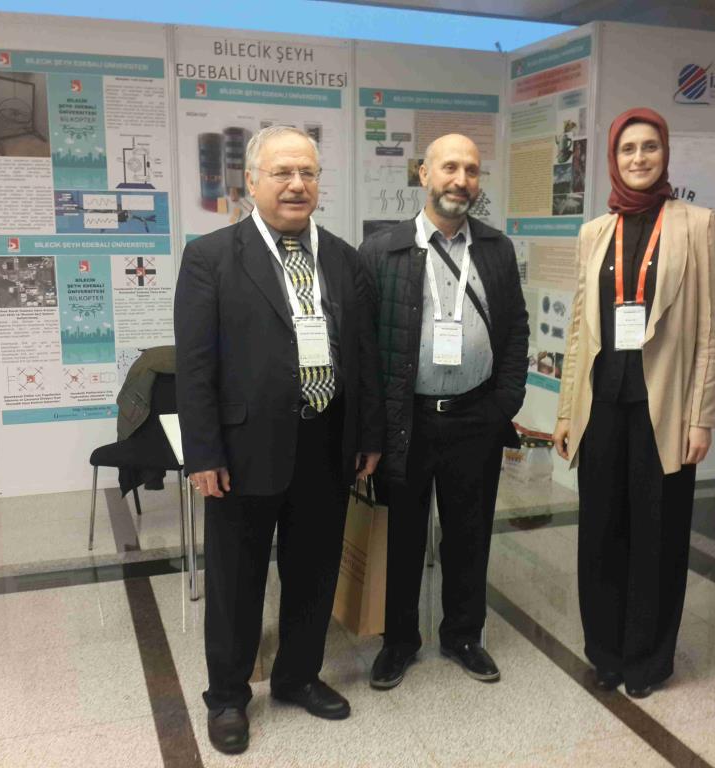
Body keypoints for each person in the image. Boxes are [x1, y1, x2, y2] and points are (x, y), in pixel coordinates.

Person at [174, 126, 382, 755]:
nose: (297, 185)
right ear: (251, 182)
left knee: (313, 571)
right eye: (283, 173)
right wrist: (203, 452)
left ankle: (297, 677)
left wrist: (367, 433)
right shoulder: (211, 257)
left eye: (308, 173)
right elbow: (195, 366)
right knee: (236, 581)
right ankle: (227, 696)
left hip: (326, 443)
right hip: (242, 452)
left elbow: (364, 355)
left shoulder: (344, 258)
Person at [552, 108, 715, 699]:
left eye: (649, 147)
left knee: (658, 535)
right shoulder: (594, 232)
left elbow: (711, 331)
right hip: (602, 404)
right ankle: (605, 653)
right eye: (628, 149)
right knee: (600, 532)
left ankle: (647, 661)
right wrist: (566, 413)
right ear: (613, 157)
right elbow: (580, 328)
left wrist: (702, 417)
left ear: (665, 153)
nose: (639, 158)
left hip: (664, 408)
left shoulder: (698, 226)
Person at [359, 133, 528, 690]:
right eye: (450, 167)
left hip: (476, 416)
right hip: (406, 420)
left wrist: (504, 403)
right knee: (402, 537)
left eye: (472, 170)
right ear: (424, 174)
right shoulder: (382, 251)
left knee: (469, 535)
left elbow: (516, 329)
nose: (461, 180)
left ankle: (462, 636)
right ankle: (399, 641)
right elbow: (364, 347)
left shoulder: (497, 249)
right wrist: (372, 430)